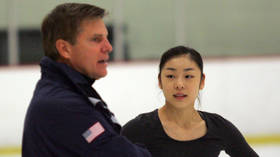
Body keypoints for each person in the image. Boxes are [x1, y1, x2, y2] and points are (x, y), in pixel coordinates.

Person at [22, 3, 152, 157]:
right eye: (96, 40)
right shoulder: (63, 105)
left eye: (106, 38)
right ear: (65, 49)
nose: (108, 47)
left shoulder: (70, 93)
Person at [121, 46, 259, 157]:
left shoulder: (219, 127)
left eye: (188, 76)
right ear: (160, 81)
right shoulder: (139, 129)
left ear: (202, 81)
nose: (179, 84)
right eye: (170, 76)